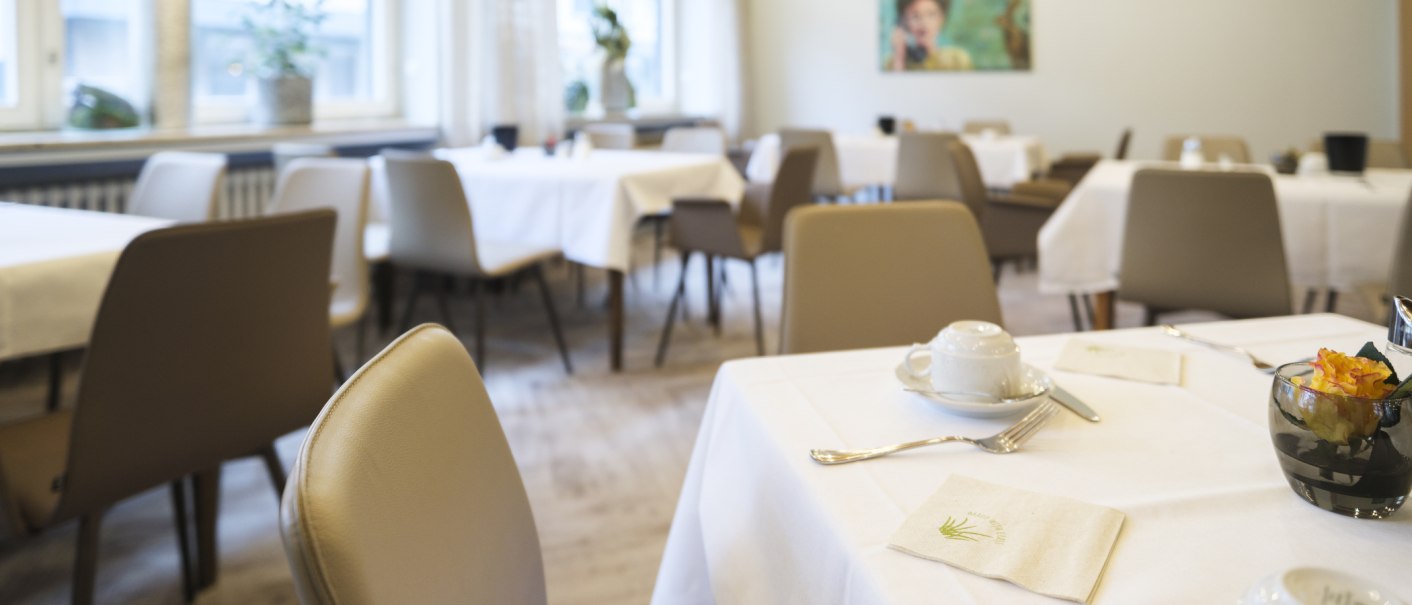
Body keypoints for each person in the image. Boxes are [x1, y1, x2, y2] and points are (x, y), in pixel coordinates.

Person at [886, 0, 973, 71]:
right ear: (904, 22)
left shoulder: (958, 59)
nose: (924, 23)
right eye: (915, 16)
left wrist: (932, 51)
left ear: (942, 18)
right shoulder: (892, 63)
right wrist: (899, 59)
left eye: (931, 14)